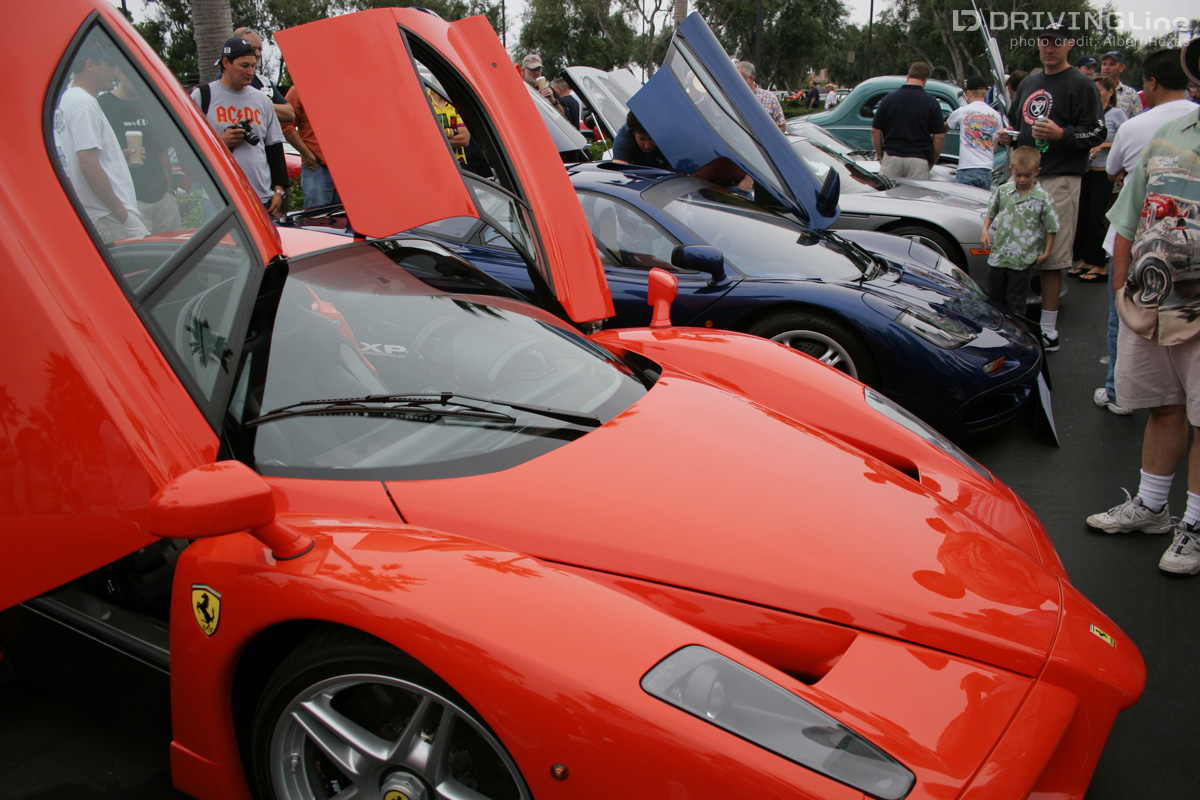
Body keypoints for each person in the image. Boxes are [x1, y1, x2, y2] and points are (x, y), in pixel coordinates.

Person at [1086, 39, 1200, 575]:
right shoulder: (1168, 134)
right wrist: (1118, 288)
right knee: (1162, 406)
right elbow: (1129, 217)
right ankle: (1153, 507)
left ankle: (1194, 526)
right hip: (1152, 303)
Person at [1093, 48, 1196, 416]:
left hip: (1139, 244)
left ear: (1151, 82)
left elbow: (1112, 170)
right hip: (1179, 250)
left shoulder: (1137, 126)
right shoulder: (1178, 124)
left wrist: (1120, 283)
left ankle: (1119, 392)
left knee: (1125, 319)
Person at [999, 20, 1105, 351]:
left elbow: (1097, 133)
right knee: (1014, 249)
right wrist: (1008, 136)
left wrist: (1064, 134)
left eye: (1056, 42)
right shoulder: (1030, 81)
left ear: (1069, 45)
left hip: (1060, 178)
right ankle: (1012, 319)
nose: (1049, 47)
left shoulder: (1081, 84)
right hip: (1022, 178)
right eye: (1044, 41)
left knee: (1052, 256)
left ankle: (1048, 329)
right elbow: (1018, 124)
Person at [54, 39, 148, 243]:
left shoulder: (68, 99)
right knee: (150, 268)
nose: (115, 72)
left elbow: (82, 157)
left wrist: (117, 157)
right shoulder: (83, 103)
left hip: (99, 212)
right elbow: (87, 164)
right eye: (110, 65)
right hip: (108, 214)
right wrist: (122, 214)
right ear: (90, 65)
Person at [192, 37, 289, 218]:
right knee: (224, 247)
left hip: (261, 197)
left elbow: (274, 147)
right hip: (219, 198)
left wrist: (279, 190)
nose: (250, 71)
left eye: (253, 66)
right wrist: (221, 142)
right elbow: (189, 146)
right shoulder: (203, 96)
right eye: (244, 65)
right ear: (226, 63)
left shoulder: (261, 100)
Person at [98, 66, 181, 234]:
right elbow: (96, 157)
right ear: (118, 71)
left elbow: (162, 150)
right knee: (143, 257)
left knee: (174, 251)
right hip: (128, 201)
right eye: (133, 74)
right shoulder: (103, 105)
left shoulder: (151, 105)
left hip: (162, 196)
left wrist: (169, 191)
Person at [980, 146, 1059, 317]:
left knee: (1016, 301)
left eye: (1027, 175)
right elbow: (991, 211)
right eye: (1018, 175)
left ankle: (1016, 333)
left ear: (1037, 172)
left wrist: (1046, 253)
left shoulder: (1043, 198)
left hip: (1022, 257)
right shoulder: (1003, 191)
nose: (1022, 179)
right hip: (999, 255)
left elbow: (1052, 227)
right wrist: (985, 230)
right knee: (994, 299)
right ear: (1011, 170)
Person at [1070, 76, 1127, 283]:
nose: (1095, 92)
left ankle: (1100, 264)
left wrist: (1102, 145)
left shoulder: (1116, 114)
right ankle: (1086, 259)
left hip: (1105, 170)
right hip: (1087, 170)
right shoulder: (1091, 114)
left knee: (1097, 215)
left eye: (1099, 89)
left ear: (1110, 92)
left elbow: (1124, 139)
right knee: (1083, 215)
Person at [871, 62, 946, 180]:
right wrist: (932, 160)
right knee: (915, 197)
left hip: (892, 156)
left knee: (888, 196)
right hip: (919, 159)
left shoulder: (888, 99)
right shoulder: (931, 103)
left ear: (907, 77)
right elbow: (940, 137)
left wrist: (880, 155)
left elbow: (875, 131)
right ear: (926, 80)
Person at [280, 85, 339, 208]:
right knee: (318, 221)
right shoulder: (298, 90)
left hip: (347, 169)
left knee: (347, 221)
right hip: (317, 167)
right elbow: (285, 124)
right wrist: (307, 155)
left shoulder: (344, 88)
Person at [945, 75, 1002, 189]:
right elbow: (994, 147)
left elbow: (943, 129)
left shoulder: (962, 111)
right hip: (987, 170)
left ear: (969, 93)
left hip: (967, 168)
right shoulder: (996, 115)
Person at [232, 27, 295, 125]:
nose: (257, 53)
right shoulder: (226, 80)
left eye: (260, 49)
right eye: (252, 49)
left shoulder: (264, 81)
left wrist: (259, 102)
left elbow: (289, 113)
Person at [736, 61, 785, 132]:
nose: (736, 81)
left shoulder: (770, 97)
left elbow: (782, 126)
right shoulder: (734, 98)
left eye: (739, 78)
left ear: (751, 79)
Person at [428, 87, 470, 167]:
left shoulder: (456, 101)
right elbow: (423, 135)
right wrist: (453, 132)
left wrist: (443, 134)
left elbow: (465, 139)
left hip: (457, 165)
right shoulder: (423, 99)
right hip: (433, 163)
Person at [1100, 50, 1142, 119]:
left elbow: (1137, 120)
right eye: (1104, 64)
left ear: (1121, 68)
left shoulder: (1131, 94)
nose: (1107, 67)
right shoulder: (1092, 89)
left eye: (1112, 64)